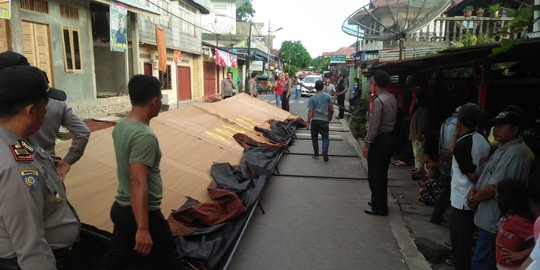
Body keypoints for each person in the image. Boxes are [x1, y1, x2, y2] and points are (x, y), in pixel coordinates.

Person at [0, 65, 80, 269]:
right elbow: (31, 247)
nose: (47, 110)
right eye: (45, 104)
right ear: (31, 110)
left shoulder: (17, 144)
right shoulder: (16, 167)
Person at [101, 75, 183, 270]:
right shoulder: (144, 136)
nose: (161, 103)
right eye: (161, 99)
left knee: (116, 262)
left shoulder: (121, 126)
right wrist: (143, 228)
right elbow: (138, 181)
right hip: (142, 214)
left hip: (121, 208)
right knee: (172, 262)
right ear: (154, 102)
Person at [0, 51, 92, 181]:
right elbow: (83, 132)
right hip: (48, 172)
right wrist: (67, 162)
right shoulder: (55, 102)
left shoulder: (9, 110)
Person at [470, 107, 531, 270]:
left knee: (483, 262)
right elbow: (486, 176)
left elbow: (495, 187)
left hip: (494, 219)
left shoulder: (514, 153)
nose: (495, 129)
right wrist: (474, 190)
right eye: (494, 125)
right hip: (487, 217)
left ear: (515, 130)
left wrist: (474, 198)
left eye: (501, 126)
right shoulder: (502, 148)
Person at [448, 103, 491, 270]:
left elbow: (471, 175)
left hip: (462, 199)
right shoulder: (484, 140)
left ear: (460, 120)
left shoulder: (463, 144)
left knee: (460, 243)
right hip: (476, 197)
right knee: (466, 241)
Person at [363, 70, 397, 216]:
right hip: (390, 138)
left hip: (379, 141)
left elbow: (373, 126)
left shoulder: (378, 101)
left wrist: (367, 144)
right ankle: (378, 201)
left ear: (374, 83)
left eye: (371, 82)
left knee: (375, 174)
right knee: (382, 173)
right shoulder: (391, 97)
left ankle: (379, 207)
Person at [495, 179, 535, 269]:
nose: (496, 196)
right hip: (503, 265)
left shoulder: (519, 221)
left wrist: (521, 254)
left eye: (498, 194)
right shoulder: (507, 217)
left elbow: (538, 241)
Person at [429, 108, 458, 224]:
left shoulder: (447, 121)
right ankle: (437, 216)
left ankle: (437, 215)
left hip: (444, 156)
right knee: (448, 191)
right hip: (452, 159)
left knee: (446, 190)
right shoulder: (458, 123)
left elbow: (440, 142)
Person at [307, 80, 333, 162]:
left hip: (315, 121)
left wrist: (308, 122)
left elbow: (310, 111)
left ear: (315, 87)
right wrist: (329, 117)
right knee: (325, 137)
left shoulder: (312, 98)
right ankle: (324, 151)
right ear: (323, 87)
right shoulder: (328, 96)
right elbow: (331, 109)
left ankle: (316, 154)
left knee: (314, 138)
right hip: (324, 120)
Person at [409, 90, 430, 177]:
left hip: (418, 135)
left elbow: (422, 123)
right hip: (415, 134)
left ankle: (419, 169)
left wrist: (420, 132)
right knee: (416, 152)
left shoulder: (423, 110)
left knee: (419, 152)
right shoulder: (419, 109)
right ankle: (417, 167)